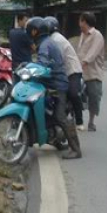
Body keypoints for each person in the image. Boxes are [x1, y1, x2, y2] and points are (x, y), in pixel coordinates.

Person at [26, 17, 81, 159]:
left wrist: (33, 69)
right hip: (49, 83)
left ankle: (76, 149)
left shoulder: (45, 44)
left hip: (57, 84)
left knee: (60, 116)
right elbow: (41, 62)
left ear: (34, 31)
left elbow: (42, 63)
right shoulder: (47, 42)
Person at [45, 16, 85, 131]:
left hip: (72, 70)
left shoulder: (56, 39)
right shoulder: (50, 39)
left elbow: (58, 59)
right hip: (61, 71)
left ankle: (79, 120)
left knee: (73, 93)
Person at [77, 12, 105, 132]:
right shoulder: (82, 35)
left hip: (93, 72)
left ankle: (91, 121)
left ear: (85, 22)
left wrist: (83, 62)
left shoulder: (97, 35)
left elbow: (92, 53)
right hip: (80, 72)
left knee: (94, 97)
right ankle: (77, 120)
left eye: (80, 21)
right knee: (76, 96)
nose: (79, 23)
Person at [9, 12, 33, 79]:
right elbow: (34, 48)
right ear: (19, 20)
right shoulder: (25, 34)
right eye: (25, 20)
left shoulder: (11, 32)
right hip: (25, 63)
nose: (27, 23)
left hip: (15, 63)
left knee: (16, 82)